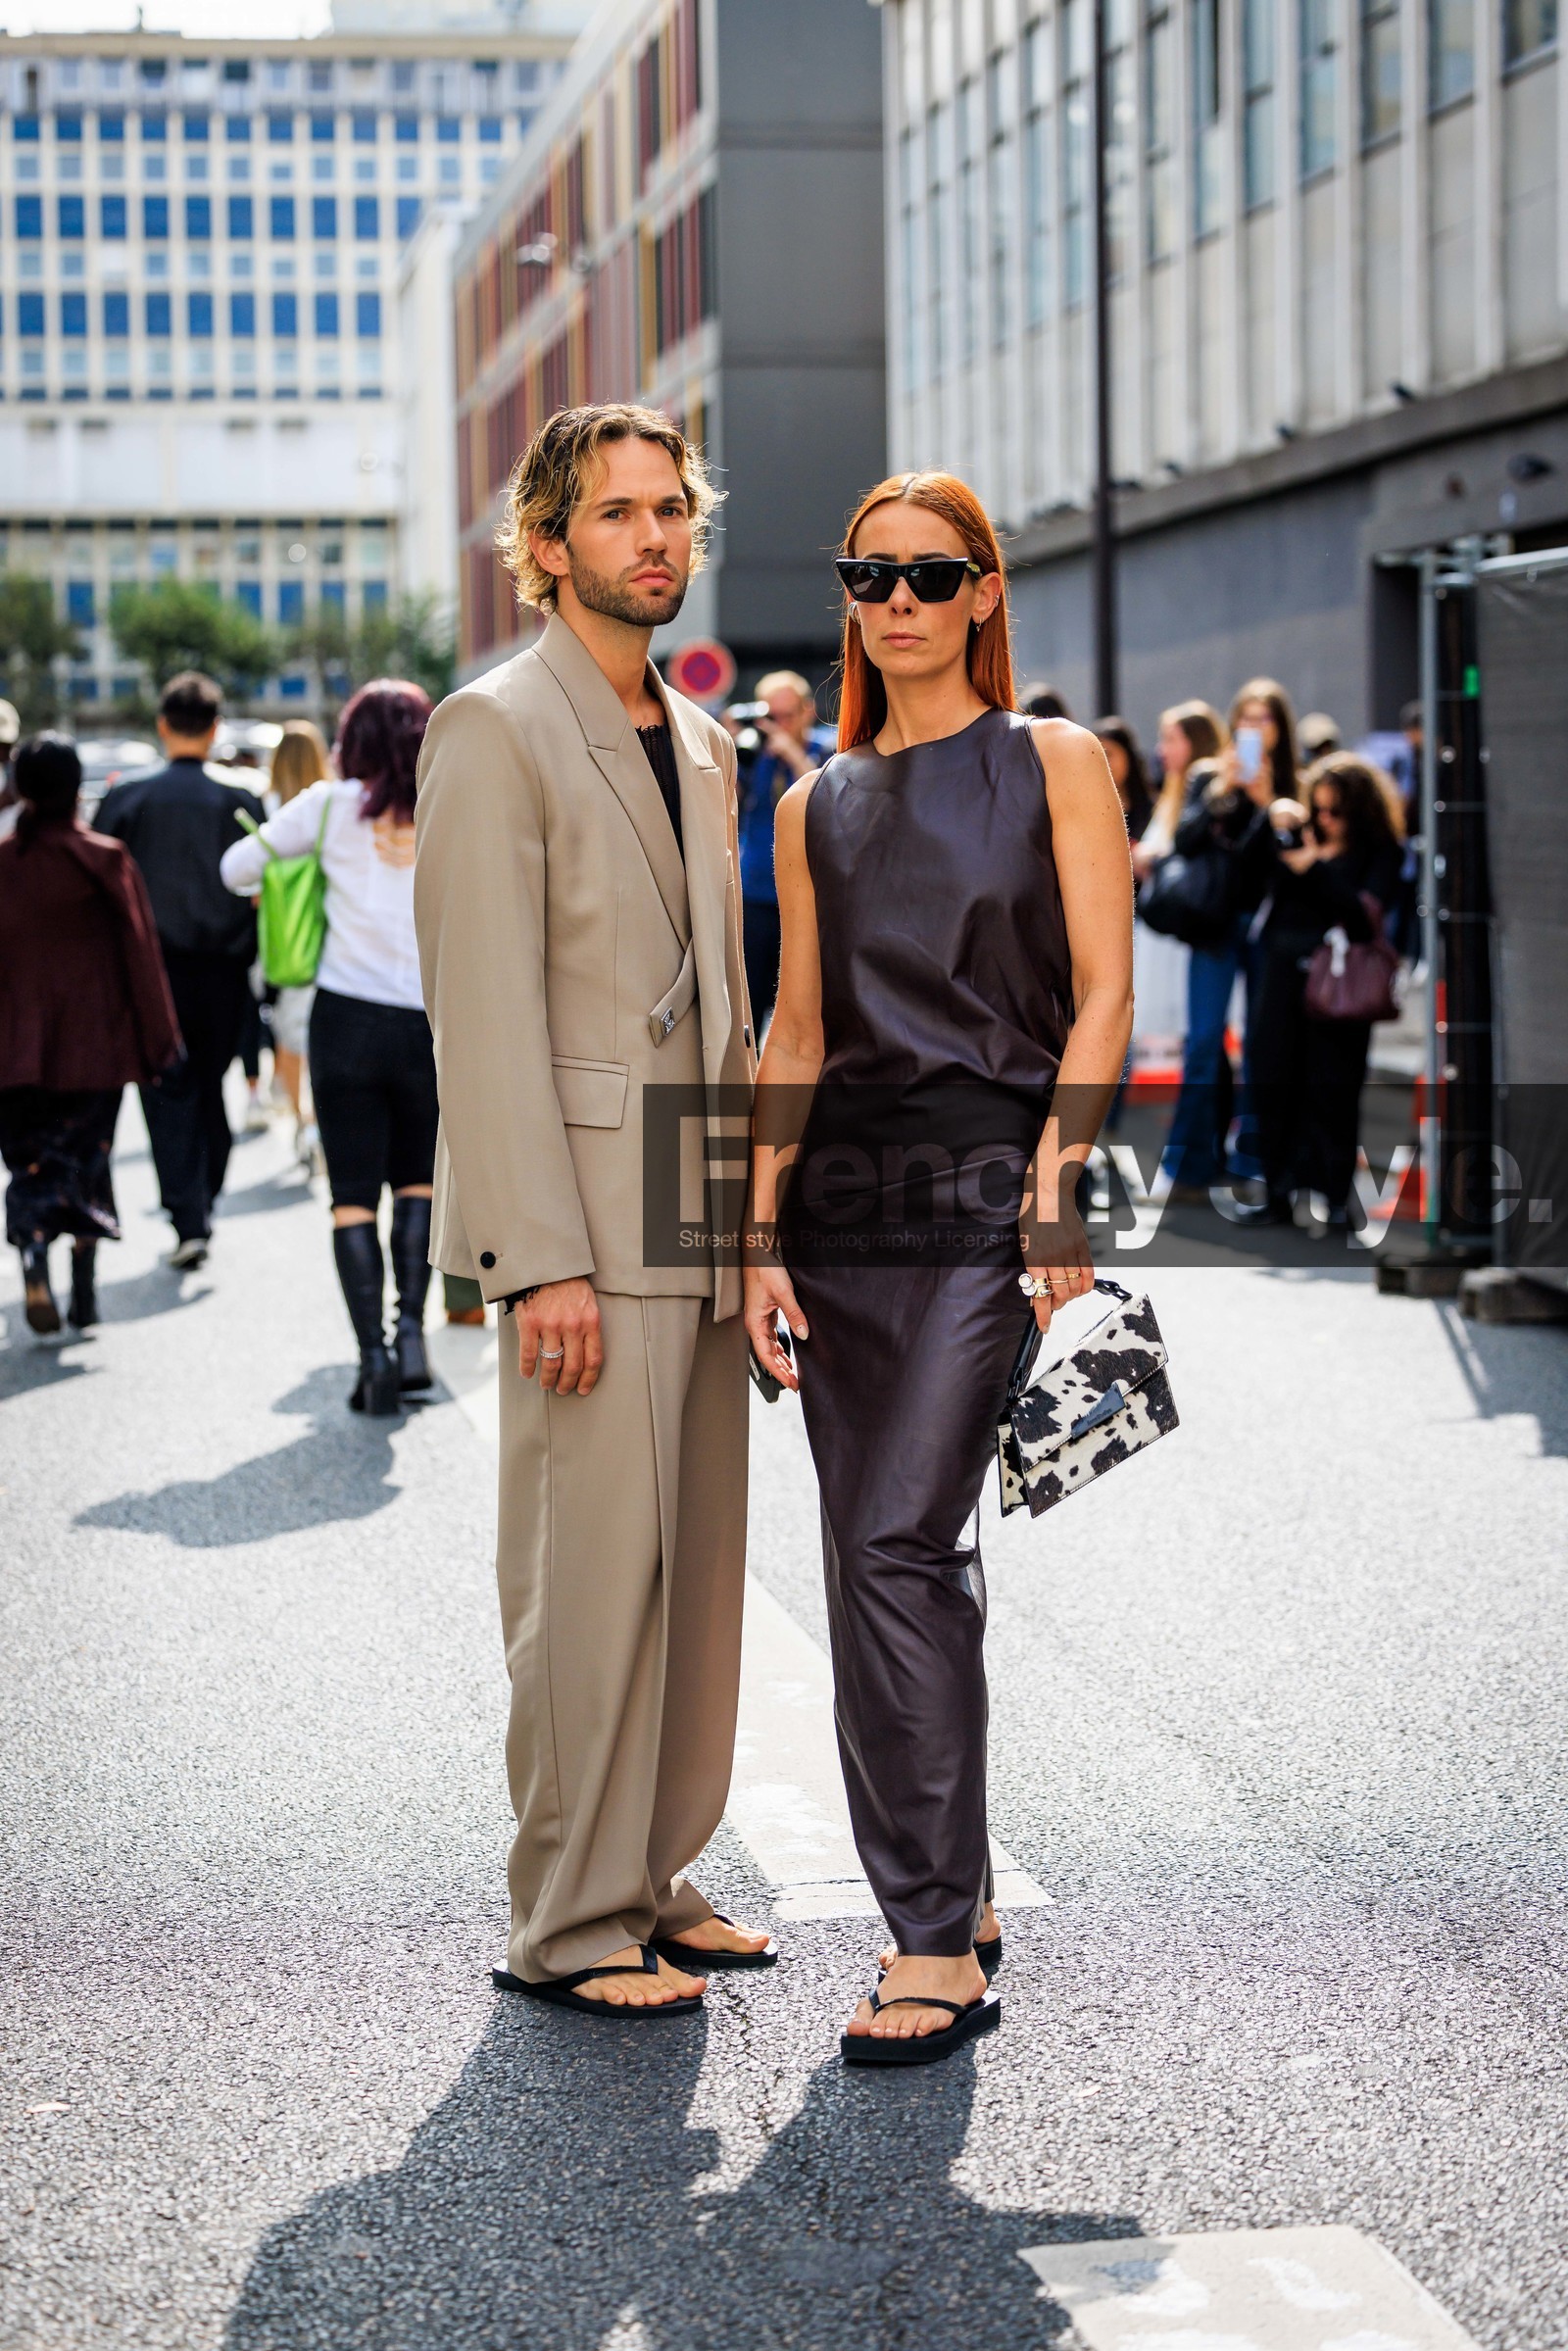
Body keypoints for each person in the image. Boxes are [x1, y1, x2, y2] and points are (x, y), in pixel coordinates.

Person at [746, 471, 1133, 2063]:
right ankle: (948, 1893)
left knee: (903, 1537)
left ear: (982, 590)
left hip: (983, 1189)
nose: (895, 599)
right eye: (867, 574)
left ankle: (923, 1936)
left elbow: (1104, 994)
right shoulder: (812, 802)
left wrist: (1055, 1191)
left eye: (928, 573)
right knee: (877, 1558)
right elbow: (796, 1029)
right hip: (841, 1214)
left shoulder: (1054, 759)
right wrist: (753, 1226)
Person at [414, 402, 769, 2013]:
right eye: (618, 512)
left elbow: (724, 1010)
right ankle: (566, 1917)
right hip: (580, 1224)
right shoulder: (493, 726)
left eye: (672, 510)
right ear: (545, 543)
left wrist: (749, 1231)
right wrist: (531, 1256)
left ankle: (654, 1867)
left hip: (690, 1208)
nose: (653, 538)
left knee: (694, 1575)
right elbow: (479, 1015)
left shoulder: (699, 737)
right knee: (583, 1577)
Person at [221, 682, 437, 1417]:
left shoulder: (325, 808)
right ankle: (412, 1340)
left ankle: (372, 1361)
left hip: (344, 1023)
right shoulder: (453, 805)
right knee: (418, 1184)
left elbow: (235, 869)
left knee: (351, 1198)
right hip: (429, 1026)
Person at [0, 734, 180, 1333]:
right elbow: (141, 957)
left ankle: (31, 1248)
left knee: (32, 1159)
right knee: (86, 1159)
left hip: (15, 1050)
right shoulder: (103, 858)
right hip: (94, 1046)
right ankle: (83, 1286)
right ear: (76, 789)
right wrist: (161, 1041)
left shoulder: (5, 863)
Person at [94, 672, 264, 1271]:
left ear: (163, 725)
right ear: (216, 729)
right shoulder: (242, 799)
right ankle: (203, 1203)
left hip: (149, 973)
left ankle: (188, 1215)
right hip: (225, 967)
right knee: (211, 1084)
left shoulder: (125, 799)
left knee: (167, 1090)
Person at [1245, 752, 1405, 1226]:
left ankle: (1335, 1199)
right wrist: (1270, 820)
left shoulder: (1380, 851)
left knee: (1333, 1088)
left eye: (1337, 811)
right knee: (1274, 1079)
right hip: (1281, 975)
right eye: (1320, 810)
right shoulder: (1296, 838)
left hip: (1340, 985)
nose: (1327, 820)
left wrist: (1313, 867)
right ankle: (1277, 1192)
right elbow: (1247, 877)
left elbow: (1364, 919)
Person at [735, 670, 827, 1035]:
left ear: (807, 711)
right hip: (757, 893)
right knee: (751, 999)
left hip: (812, 895)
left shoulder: (829, 748)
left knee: (809, 1004)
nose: (777, 726)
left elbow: (828, 800)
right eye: (769, 717)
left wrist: (791, 754)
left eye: (786, 716)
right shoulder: (753, 753)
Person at [266, 718, 332, 1171]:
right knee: (323, 1031)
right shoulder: (333, 803)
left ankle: (301, 1117)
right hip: (328, 930)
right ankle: (318, 1121)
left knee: (288, 1033)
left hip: (282, 935)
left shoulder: (266, 804)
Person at [1092, 715, 1153, 840]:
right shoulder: (1087, 809)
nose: (1103, 763)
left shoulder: (1154, 809)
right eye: (1097, 755)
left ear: (1128, 756)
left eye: (1108, 754)